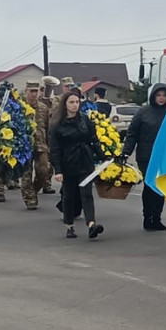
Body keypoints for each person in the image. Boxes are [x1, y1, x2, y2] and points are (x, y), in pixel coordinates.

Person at [49, 91, 105, 240]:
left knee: (86, 194)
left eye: (77, 102)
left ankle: (91, 224)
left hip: (85, 160)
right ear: (65, 105)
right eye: (71, 102)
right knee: (69, 196)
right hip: (68, 163)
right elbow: (54, 149)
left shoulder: (85, 120)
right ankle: (69, 226)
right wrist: (58, 170)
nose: (75, 105)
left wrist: (104, 157)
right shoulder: (57, 124)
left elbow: (94, 140)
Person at [122, 83, 166, 232]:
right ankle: (147, 217)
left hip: (164, 156)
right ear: (153, 96)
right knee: (149, 186)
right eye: (158, 95)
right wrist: (126, 152)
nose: (161, 98)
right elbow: (132, 134)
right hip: (146, 155)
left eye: (164, 95)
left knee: (160, 187)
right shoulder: (143, 112)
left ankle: (157, 218)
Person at [29, 79, 56, 197]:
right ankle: (30, 198)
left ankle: (34, 189)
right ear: (26, 91)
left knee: (44, 170)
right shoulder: (20, 106)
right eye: (32, 91)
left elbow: (48, 127)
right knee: (26, 174)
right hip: (24, 145)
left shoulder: (43, 108)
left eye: (36, 91)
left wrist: (50, 145)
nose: (34, 94)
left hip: (41, 143)